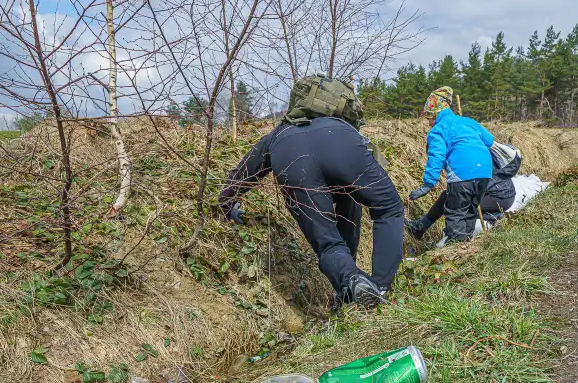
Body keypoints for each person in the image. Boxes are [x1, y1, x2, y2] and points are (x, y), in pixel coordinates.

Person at [217, 75, 404, 309]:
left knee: (328, 242)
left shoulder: (279, 133)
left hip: (292, 157)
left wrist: (225, 204)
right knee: (388, 209)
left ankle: (351, 280)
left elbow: (245, 172)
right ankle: (380, 287)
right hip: (342, 147)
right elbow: (385, 201)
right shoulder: (342, 127)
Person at [405, 87, 495, 243]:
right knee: (469, 211)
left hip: (462, 173)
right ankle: (466, 247)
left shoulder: (438, 129)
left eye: (429, 118)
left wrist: (427, 184)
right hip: (485, 172)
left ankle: (454, 251)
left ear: (435, 113)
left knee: (456, 214)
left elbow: (437, 156)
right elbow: (489, 140)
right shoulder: (468, 122)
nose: (429, 123)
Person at [409, 142, 522, 234]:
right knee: (448, 197)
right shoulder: (463, 152)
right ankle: (421, 227)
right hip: (503, 194)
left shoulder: (462, 159)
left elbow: (465, 189)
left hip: (498, 197)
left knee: (456, 204)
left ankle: (492, 217)